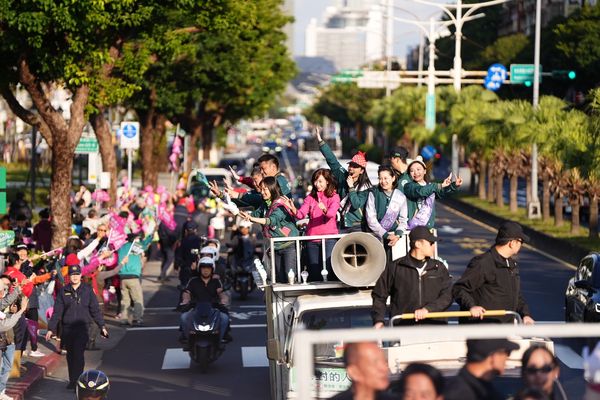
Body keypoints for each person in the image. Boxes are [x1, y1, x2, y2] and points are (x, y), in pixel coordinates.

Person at [452, 221, 535, 324]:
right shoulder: (483, 263)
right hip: (482, 329)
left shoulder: (511, 265)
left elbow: (515, 295)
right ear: (512, 243)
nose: (521, 245)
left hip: (504, 329)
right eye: (520, 241)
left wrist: (525, 314)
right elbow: (459, 288)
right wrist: (472, 306)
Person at [372, 226, 452, 328]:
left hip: (435, 329)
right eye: (431, 243)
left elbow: (448, 295)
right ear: (418, 244)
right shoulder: (395, 267)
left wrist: (428, 309)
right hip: (404, 330)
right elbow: (379, 295)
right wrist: (379, 320)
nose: (433, 246)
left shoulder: (439, 268)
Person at [46, 264, 108, 391]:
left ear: (81, 275)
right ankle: (72, 380)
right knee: (70, 355)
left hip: (82, 328)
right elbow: (57, 312)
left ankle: (78, 383)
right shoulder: (64, 291)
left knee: (78, 354)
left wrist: (102, 326)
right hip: (67, 329)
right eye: (72, 275)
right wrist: (50, 329)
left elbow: (95, 309)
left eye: (77, 274)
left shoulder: (87, 290)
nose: (75, 277)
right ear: (69, 276)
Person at [282, 168, 340, 282]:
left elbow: (331, 214)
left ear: (327, 181)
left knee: (329, 269)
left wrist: (324, 209)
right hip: (312, 239)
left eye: (320, 181)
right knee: (314, 270)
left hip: (329, 239)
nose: (317, 184)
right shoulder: (310, 198)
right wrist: (292, 208)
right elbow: (301, 215)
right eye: (315, 181)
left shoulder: (334, 196)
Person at [239, 177, 299, 283]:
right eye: (261, 189)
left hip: (288, 245)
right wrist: (239, 212)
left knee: (289, 277)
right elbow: (254, 215)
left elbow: (271, 221)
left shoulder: (280, 206)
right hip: (275, 246)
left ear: (272, 189)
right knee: (279, 278)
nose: (262, 192)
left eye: (265, 189)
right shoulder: (265, 205)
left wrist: (252, 218)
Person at [316, 128, 372, 233]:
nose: (351, 168)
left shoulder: (366, 187)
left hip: (358, 225)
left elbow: (356, 204)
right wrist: (321, 142)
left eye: (355, 166)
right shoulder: (343, 176)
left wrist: (351, 187)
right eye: (350, 165)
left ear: (361, 171)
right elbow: (332, 161)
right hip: (342, 224)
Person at [444, 338, 520, 400]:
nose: (507, 357)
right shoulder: (459, 394)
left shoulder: (484, 390)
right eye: (507, 352)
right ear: (494, 356)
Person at [179, 257, 230, 345]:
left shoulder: (216, 281)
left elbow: (221, 292)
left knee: (224, 317)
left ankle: (221, 337)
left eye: (208, 268)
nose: (206, 270)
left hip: (213, 307)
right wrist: (185, 300)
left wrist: (224, 300)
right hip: (195, 306)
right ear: (199, 269)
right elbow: (187, 292)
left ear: (212, 269)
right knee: (184, 317)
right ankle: (187, 337)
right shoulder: (193, 281)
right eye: (203, 268)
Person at [403, 156, 462, 229]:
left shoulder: (430, 186)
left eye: (418, 169)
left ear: (424, 171)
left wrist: (454, 185)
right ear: (409, 174)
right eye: (412, 171)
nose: (416, 173)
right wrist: (440, 185)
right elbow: (421, 191)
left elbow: (442, 193)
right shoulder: (408, 186)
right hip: (414, 228)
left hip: (428, 228)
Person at [365, 165, 408, 249]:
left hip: (395, 238)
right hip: (376, 236)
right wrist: (385, 235)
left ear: (393, 178)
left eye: (386, 178)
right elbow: (370, 218)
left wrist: (398, 235)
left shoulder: (400, 196)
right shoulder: (373, 193)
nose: (383, 181)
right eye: (380, 178)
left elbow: (403, 220)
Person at [117, 232, 153, 326]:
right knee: (137, 299)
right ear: (134, 239)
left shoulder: (122, 247)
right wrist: (150, 236)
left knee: (125, 299)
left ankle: (124, 319)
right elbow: (145, 245)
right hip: (133, 276)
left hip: (122, 276)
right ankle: (137, 319)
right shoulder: (134, 246)